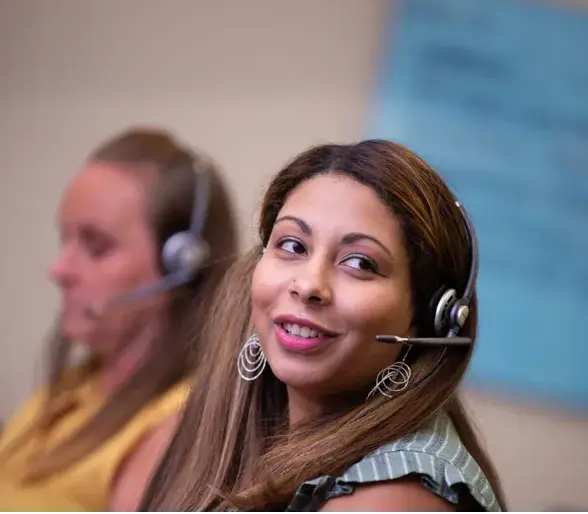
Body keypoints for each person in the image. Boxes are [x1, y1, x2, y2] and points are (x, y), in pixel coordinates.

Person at [140, 139, 507, 512]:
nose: (309, 285)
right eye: (294, 245)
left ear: (425, 317)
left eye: (360, 263)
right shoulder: (241, 431)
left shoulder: (394, 497)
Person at [0, 127, 238, 511]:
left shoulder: (173, 428)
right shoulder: (71, 387)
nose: (59, 270)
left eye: (96, 247)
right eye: (66, 240)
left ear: (180, 264)